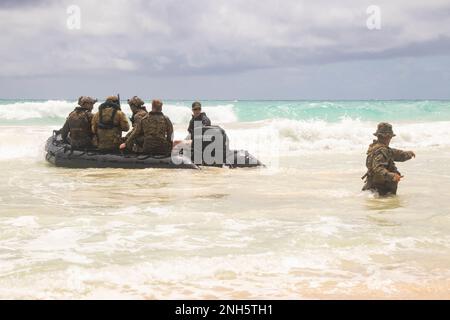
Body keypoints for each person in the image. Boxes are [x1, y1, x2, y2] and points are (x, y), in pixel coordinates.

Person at [362, 122, 415, 196]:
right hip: (380, 191)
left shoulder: (376, 147)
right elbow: (377, 168)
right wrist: (391, 175)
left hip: (373, 189)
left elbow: (395, 153)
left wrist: (408, 154)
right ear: (388, 137)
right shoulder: (382, 150)